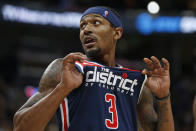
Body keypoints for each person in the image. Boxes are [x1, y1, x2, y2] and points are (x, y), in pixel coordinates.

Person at [13, 6, 174, 131]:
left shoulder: (136, 84)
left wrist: (163, 97)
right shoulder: (67, 68)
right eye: (82, 26)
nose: (86, 30)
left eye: (96, 23)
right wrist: (63, 88)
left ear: (117, 33)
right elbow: (21, 127)